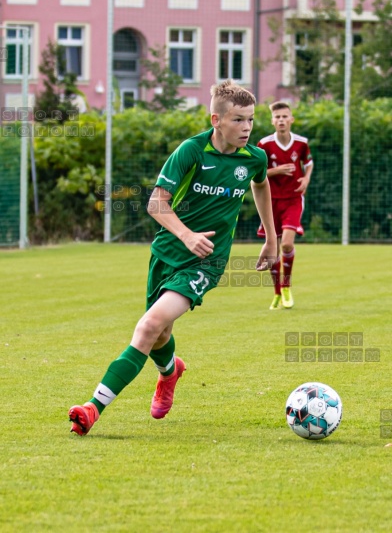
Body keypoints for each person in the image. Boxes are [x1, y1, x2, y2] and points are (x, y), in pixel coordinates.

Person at [68, 79, 277, 436]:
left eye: (251, 120)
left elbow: (260, 184)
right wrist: (187, 235)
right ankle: (170, 372)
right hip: (168, 251)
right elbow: (156, 203)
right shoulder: (191, 152)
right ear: (216, 119)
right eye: (238, 120)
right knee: (161, 334)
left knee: (148, 327)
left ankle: (93, 408)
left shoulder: (254, 158)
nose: (247, 128)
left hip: (206, 261)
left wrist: (271, 238)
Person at [256, 101, 313, 310]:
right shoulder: (264, 145)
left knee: (287, 244)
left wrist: (306, 179)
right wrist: (275, 171)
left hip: (293, 199)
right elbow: (257, 173)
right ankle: (277, 292)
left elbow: (309, 164)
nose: (281, 120)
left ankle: (286, 286)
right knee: (273, 246)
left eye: (284, 116)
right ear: (272, 121)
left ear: (291, 120)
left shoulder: (301, 143)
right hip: (270, 201)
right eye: (277, 117)